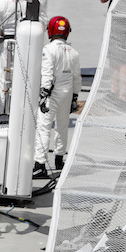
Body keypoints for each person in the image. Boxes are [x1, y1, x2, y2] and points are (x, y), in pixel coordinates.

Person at [33, 16, 82, 178]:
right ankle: (59, 159)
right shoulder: (74, 52)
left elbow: (47, 72)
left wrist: (43, 93)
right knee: (62, 127)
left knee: (43, 127)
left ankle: (40, 164)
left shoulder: (48, 50)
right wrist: (75, 97)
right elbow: (77, 77)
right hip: (67, 94)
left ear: (51, 31)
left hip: (51, 95)